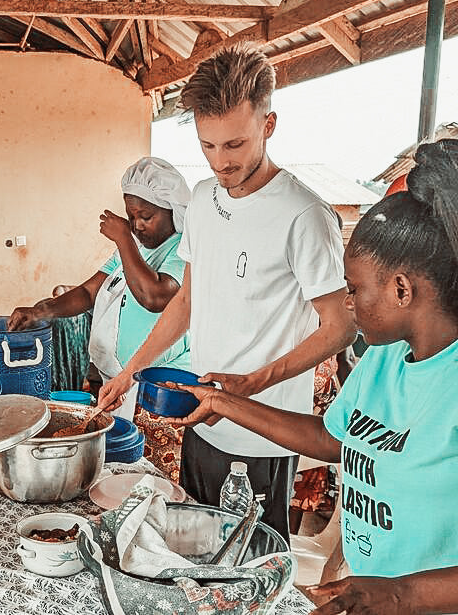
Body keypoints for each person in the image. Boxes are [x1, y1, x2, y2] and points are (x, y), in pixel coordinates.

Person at [173, 138, 458, 614]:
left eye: (354, 289)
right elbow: (332, 441)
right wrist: (224, 402)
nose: (347, 304)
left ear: (402, 290)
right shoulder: (385, 358)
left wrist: (396, 593)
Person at [99, 44, 355, 542]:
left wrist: (251, 385)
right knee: (193, 553)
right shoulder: (202, 202)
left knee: (251, 566)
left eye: (234, 145)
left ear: (269, 124)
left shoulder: (304, 216)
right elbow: (187, 302)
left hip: (263, 433)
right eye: (207, 146)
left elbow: (341, 325)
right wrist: (129, 374)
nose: (220, 162)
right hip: (203, 418)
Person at [9, 157, 192, 478]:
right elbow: (88, 292)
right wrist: (40, 311)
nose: (136, 225)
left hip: (159, 389)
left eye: (146, 216)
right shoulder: (133, 247)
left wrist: (123, 239)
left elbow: (155, 296)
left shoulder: (183, 250)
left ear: (173, 211)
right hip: (118, 383)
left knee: (152, 477)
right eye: (132, 216)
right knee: (121, 474)